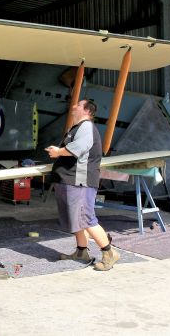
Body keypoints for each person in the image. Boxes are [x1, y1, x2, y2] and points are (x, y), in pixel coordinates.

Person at [45, 99, 120, 271]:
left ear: (86, 110)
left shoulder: (86, 127)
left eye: (78, 105)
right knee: (76, 219)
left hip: (80, 182)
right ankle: (81, 251)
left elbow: (76, 149)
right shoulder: (77, 128)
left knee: (86, 218)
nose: (74, 107)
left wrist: (57, 152)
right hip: (70, 181)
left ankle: (109, 253)